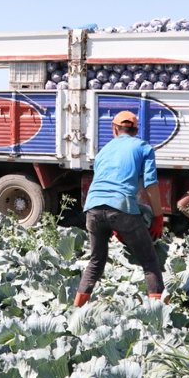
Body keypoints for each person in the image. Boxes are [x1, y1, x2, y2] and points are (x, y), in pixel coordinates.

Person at [74, 110, 165, 307]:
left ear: (114, 129)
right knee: (149, 262)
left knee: (96, 261)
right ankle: (158, 313)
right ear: (135, 130)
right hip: (122, 207)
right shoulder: (143, 147)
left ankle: (76, 309)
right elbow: (150, 184)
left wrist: (113, 224)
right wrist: (158, 217)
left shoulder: (103, 152)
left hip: (93, 208)